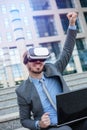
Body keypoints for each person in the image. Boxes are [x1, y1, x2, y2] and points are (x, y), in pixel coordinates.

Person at [16, 12, 87, 130]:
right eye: (34, 60)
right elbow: (24, 120)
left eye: (41, 60)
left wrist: (72, 24)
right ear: (26, 62)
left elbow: (67, 50)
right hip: (52, 126)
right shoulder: (22, 91)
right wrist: (39, 124)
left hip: (72, 118)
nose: (38, 62)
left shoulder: (53, 69)